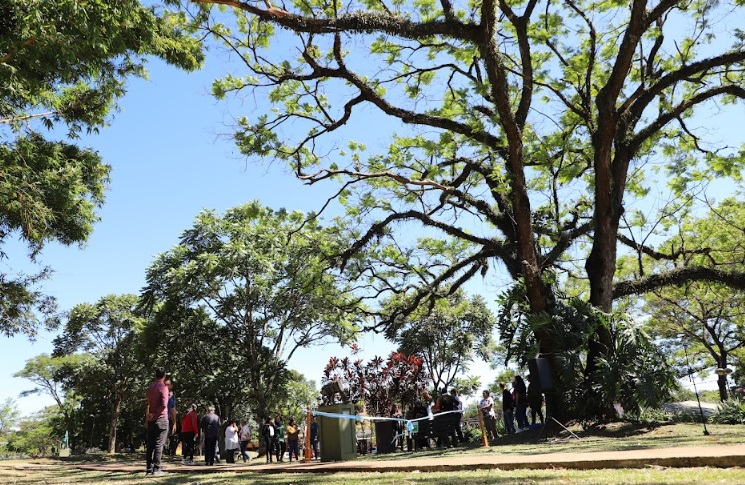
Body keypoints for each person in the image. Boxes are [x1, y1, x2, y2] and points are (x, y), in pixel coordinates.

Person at [145, 367, 169, 476]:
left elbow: (149, 403)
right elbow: (164, 404)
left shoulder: (151, 387)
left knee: (150, 445)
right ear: (164, 376)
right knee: (159, 444)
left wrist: (150, 416)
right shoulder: (163, 387)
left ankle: (148, 469)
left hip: (151, 420)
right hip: (161, 419)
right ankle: (157, 469)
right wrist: (156, 414)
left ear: (155, 376)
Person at [165, 376, 178, 457]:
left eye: (168, 385)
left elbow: (173, 410)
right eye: (165, 385)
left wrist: (174, 423)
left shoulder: (171, 396)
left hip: (165, 419)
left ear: (171, 386)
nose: (166, 386)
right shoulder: (168, 395)